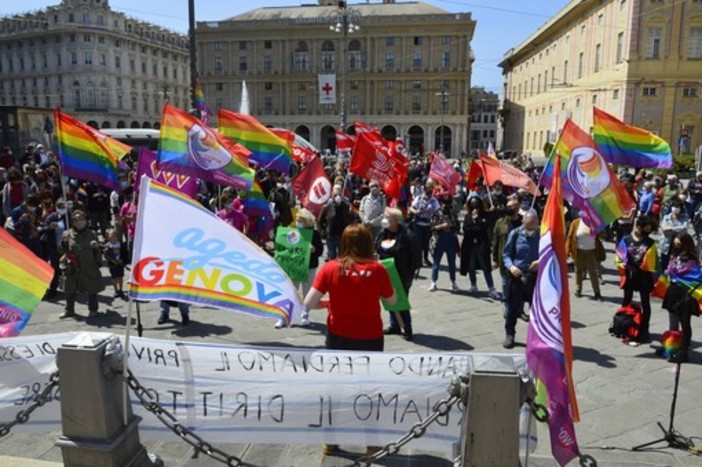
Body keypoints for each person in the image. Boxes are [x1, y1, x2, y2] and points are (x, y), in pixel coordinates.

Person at [304, 224, 397, 455]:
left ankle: (329, 441)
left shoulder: (330, 268)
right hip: (370, 338)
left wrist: (330, 303)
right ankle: (371, 442)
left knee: (334, 388)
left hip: (337, 337)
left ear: (343, 243)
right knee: (368, 389)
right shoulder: (377, 269)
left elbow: (308, 303)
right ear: (367, 244)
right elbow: (393, 301)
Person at [375, 207, 421, 340]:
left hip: (401, 274)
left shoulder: (407, 235)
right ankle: (394, 325)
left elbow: (416, 256)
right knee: (389, 300)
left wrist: (410, 274)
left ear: (395, 220)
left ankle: (407, 328)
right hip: (384, 274)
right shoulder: (383, 233)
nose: (384, 220)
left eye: (387, 217)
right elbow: (376, 247)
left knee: (401, 301)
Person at [274, 208, 323, 329]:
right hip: (294, 266)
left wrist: (314, 250)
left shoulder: (314, 234)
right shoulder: (292, 232)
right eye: (297, 220)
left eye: (300, 220)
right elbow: (284, 247)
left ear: (307, 221)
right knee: (290, 291)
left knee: (307, 293)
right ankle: (284, 317)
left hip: (309, 267)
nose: (297, 222)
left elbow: (320, 251)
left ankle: (305, 315)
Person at [616, 215, 659, 344]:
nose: (647, 230)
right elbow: (618, 256)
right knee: (626, 301)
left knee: (645, 303)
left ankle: (644, 330)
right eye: (646, 227)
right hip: (629, 275)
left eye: (650, 228)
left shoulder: (650, 242)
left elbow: (654, 263)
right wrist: (621, 264)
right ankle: (624, 327)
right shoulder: (626, 240)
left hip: (644, 276)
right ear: (639, 226)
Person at [502, 209, 540, 349]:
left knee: (536, 309)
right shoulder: (516, 234)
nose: (531, 228)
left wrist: (539, 261)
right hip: (517, 276)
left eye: (533, 225)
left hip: (535, 276)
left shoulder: (542, 234)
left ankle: (537, 337)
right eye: (528, 225)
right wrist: (511, 267)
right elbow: (506, 254)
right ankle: (510, 334)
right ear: (523, 221)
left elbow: (551, 252)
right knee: (512, 308)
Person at [660, 233, 699, 363]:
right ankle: (672, 348)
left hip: (685, 296)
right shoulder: (674, 257)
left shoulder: (693, 263)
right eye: (675, 244)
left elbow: (695, 280)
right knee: (673, 323)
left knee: (685, 324)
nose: (676, 247)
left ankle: (684, 352)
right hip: (673, 292)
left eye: (678, 245)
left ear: (686, 246)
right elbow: (668, 271)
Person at [59, 210, 104, 318]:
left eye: (82, 219)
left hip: (88, 265)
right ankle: (69, 310)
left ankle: (93, 310)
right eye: (77, 220)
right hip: (72, 267)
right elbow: (61, 251)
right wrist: (63, 243)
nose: (80, 222)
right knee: (69, 289)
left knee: (92, 288)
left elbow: (97, 251)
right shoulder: (67, 234)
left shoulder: (92, 234)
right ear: (73, 222)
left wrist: (98, 260)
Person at [460, 195, 500, 299]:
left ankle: (491, 288)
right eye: (472, 203)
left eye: (476, 202)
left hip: (481, 245)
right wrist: (474, 225)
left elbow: (485, 226)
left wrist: (477, 219)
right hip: (470, 245)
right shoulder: (467, 216)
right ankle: (473, 285)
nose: (474, 205)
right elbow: (465, 229)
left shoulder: (484, 215)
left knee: (485, 267)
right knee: (471, 266)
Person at [493, 197, 523, 307]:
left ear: (518, 208)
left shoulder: (524, 222)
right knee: (506, 284)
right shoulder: (500, 223)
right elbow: (495, 241)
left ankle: (520, 309)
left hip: (520, 259)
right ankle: (506, 305)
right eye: (508, 206)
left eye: (512, 206)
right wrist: (495, 259)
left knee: (520, 285)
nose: (510, 208)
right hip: (505, 259)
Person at [566, 215, 604, 300]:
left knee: (593, 272)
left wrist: (597, 227)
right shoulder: (575, 222)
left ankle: (597, 292)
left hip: (591, 251)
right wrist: (567, 252)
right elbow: (570, 236)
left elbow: (602, 234)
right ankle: (578, 289)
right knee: (578, 270)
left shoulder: (595, 222)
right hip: (579, 251)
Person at [429, 193, 460, 293]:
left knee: (452, 262)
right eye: (444, 203)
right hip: (439, 239)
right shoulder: (437, 212)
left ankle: (453, 281)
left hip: (450, 239)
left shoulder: (453, 212)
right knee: (436, 262)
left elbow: (458, 226)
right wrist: (442, 226)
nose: (446, 206)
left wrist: (452, 226)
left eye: (448, 203)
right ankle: (433, 282)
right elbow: (432, 226)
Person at [409, 180, 440, 266]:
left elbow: (438, 211)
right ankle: (418, 260)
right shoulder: (419, 198)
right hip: (418, 224)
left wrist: (435, 219)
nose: (429, 190)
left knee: (426, 243)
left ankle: (426, 258)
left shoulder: (434, 201)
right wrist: (416, 212)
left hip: (428, 225)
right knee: (418, 243)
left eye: (431, 189)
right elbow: (411, 208)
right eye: (427, 188)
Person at [317, 184, 353, 260]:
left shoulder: (346, 206)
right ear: (332, 194)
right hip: (330, 236)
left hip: (342, 236)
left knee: (342, 256)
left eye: (339, 194)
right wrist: (322, 232)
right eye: (335, 194)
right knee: (331, 256)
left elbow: (349, 220)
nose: (337, 196)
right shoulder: (326, 207)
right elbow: (320, 222)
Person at [659, 199, 690, 272]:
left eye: (677, 206)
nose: (675, 208)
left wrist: (671, 229)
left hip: (678, 243)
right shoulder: (666, 217)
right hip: (666, 243)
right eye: (674, 206)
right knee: (664, 262)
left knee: (677, 262)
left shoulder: (685, 217)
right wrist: (676, 230)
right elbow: (663, 229)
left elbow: (684, 228)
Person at [103, 228, 126, 299]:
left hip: (120, 264)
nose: (114, 238)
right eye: (112, 237)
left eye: (115, 236)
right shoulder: (107, 246)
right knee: (114, 278)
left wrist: (122, 260)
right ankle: (116, 290)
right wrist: (112, 261)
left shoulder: (120, 245)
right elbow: (106, 256)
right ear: (108, 238)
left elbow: (124, 253)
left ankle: (121, 290)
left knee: (120, 277)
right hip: (112, 265)